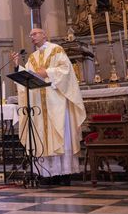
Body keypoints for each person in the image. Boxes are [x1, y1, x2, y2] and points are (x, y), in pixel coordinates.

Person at [11, 28, 86, 185]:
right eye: (30, 34)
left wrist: (48, 72)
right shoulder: (32, 57)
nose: (32, 36)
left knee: (60, 133)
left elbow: (66, 70)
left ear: (44, 35)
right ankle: (47, 173)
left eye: (35, 34)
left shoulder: (56, 49)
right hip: (40, 102)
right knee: (42, 136)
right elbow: (28, 76)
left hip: (56, 100)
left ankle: (64, 174)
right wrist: (18, 67)